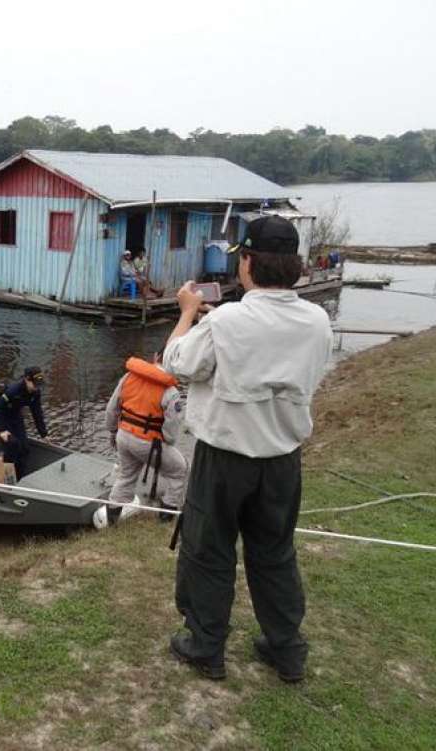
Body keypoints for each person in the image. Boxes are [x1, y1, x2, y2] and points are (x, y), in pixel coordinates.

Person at [161, 215, 333, 683]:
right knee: (275, 552)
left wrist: (186, 312)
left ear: (250, 263)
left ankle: (206, 644)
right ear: (294, 265)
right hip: (282, 458)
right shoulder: (318, 320)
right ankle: (286, 648)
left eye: (242, 259)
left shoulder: (231, 319)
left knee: (208, 550)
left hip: (225, 457)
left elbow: (176, 363)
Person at [96, 355, 188, 529]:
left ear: (156, 357)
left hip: (123, 435)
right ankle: (166, 518)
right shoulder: (171, 391)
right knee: (180, 471)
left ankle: (112, 522)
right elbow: (171, 433)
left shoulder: (129, 376)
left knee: (126, 476)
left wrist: (113, 431)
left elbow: (111, 409)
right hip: (149, 443)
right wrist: (165, 442)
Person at [0, 366, 48, 479]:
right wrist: (2, 430)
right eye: (35, 384)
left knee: (24, 449)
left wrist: (43, 434)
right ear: (27, 379)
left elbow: (37, 413)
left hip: (15, 416)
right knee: (12, 446)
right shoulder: (13, 391)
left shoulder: (35, 392)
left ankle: (19, 478)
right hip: (2, 417)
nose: (37, 388)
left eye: (39, 385)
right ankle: (7, 478)